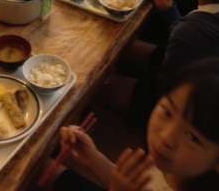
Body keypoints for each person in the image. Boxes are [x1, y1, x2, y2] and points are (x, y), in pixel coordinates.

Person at [52, 58, 219, 191]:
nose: (166, 137)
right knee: (48, 169)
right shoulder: (174, 170)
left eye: (193, 137)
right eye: (167, 112)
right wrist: (92, 157)